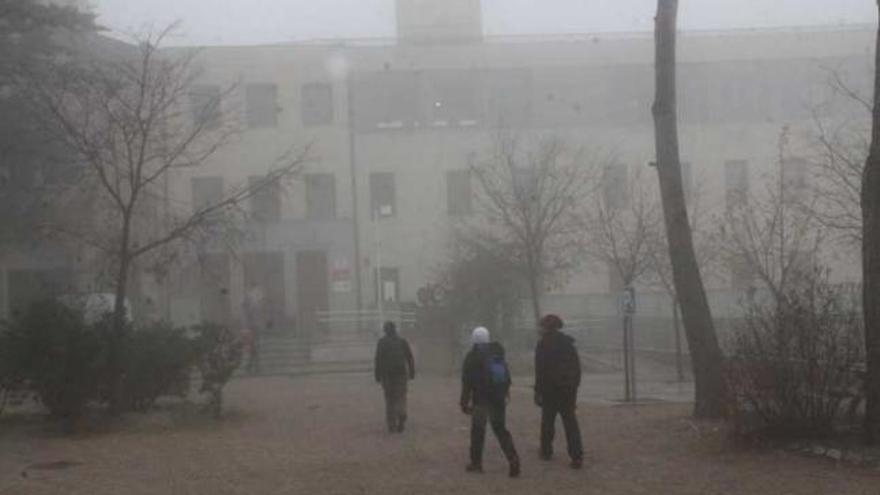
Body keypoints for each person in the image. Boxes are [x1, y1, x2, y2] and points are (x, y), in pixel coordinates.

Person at [460, 326, 521, 478]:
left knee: (478, 432)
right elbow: (506, 378)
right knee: (501, 430)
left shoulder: (472, 356)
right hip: (498, 398)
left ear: (473, 339)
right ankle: (513, 459)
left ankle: (476, 463)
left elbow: (467, 382)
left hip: (481, 400)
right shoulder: (497, 353)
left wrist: (464, 402)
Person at [534, 314, 584, 469]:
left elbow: (540, 371)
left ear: (546, 327)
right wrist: (574, 388)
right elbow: (577, 369)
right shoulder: (568, 344)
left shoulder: (543, 345)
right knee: (570, 422)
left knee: (548, 421)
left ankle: (546, 451)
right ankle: (577, 456)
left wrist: (538, 391)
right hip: (568, 390)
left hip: (550, 390)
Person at [374, 321, 415, 433]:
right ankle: (401, 412)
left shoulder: (382, 342)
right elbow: (409, 357)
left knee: (389, 399)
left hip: (387, 374)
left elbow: (378, 359)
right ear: (395, 329)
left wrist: (377, 375)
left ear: (385, 331)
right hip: (401, 373)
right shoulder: (402, 342)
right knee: (401, 395)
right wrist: (412, 371)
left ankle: (391, 424)